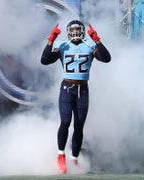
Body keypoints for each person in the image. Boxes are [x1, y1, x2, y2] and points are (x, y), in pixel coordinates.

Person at [40, 20, 111, 173]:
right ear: (68, 32)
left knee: (79, 126)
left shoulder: (89, 45)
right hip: (67, 88)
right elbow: (44, 60)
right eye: (73, 30)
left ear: (83, 31)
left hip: (83, 90)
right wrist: (51, 40)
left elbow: (106, 58)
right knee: (65, 121)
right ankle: (60, 156)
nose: (76, 33)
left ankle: (74, 159)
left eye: (78, 30)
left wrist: (97, 40)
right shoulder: (62, 45)